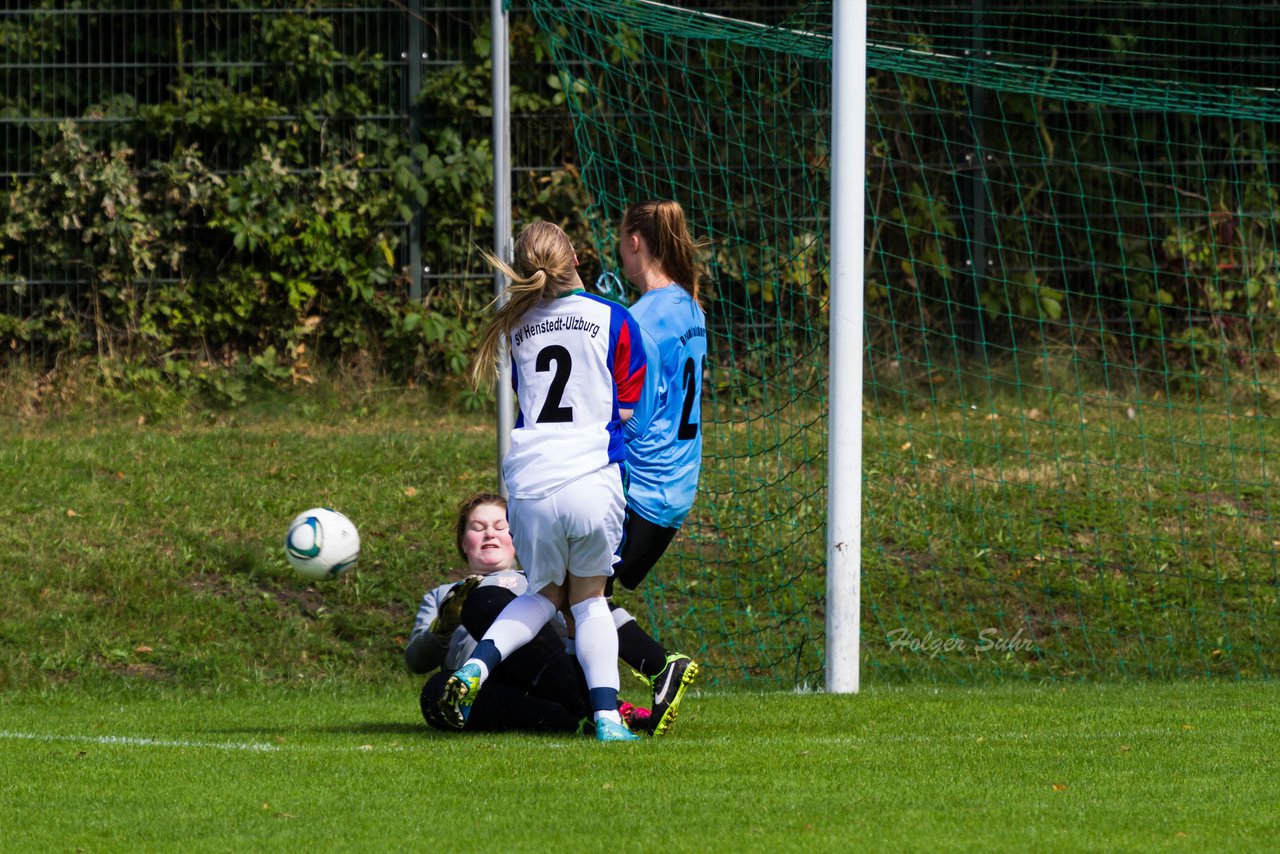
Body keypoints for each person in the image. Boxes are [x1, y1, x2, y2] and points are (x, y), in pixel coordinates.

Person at [434, 221, 649, 743]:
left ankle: (476, 668)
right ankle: (604, 718)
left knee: (542, 594)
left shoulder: (516, 329)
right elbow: (627, 410)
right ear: (574, 255)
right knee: (590, 601)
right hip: (590, 476)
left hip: (528, 484)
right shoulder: (614, 319)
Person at [407, 492, 654, 733]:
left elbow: (591, 613)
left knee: (485, 602)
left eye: (499, 526)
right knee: (435, 692)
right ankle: (576, 720)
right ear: (463, 541)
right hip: (493, 693)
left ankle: (604, 708)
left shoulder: (545, 584)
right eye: (478, 527)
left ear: (516, 535)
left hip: (546, 678)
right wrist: (443, 627)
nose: (489, 533)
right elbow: (416, 661)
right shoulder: (443, 595)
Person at [609, 199, 710, 736]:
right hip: (677, 487)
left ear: (634, 242)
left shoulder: (645, 316)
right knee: (584, 594)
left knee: (568, 593)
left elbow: (637, 413)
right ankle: (604, 701)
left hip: (644, 486)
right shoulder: (690, 308)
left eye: (619, 240)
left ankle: (658, 668)